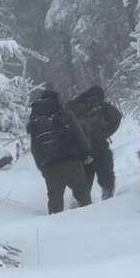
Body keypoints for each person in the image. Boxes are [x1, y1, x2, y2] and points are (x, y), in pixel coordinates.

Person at [26, 84, 93, 214]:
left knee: (55, 200)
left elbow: (35, 148)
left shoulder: (35, 123)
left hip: (50, 166)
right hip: (71, 161)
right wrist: (87, 153)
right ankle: (90, 222)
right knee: (82, 193)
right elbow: (78, 134)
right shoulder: (65, 115)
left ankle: (55, 229)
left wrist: (42, 167)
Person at [67, 84, 123, 202]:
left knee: (84, 179)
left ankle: (80, 204)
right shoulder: (98, 104)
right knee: (106, 173)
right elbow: (116, 116)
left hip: (80, 150)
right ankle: (108, 199)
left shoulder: (74, 106)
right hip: (99, 145)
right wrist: (106, 132)